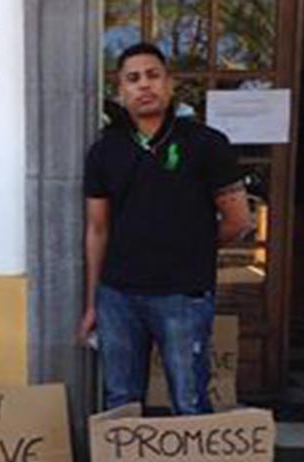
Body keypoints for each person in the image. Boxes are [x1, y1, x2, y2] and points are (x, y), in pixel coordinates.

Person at [77, 43, 254, 416]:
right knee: (120, 403)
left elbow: (239, 221)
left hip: (183, 296)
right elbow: (97, 229)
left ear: (169, 84)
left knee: (189, 403)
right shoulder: (104, 152)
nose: (144, 85)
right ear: (120, 92)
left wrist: (194, 245)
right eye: (133, 79)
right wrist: (93, 303)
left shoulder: (206, 144)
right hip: (118, 297)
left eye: (153, 75)